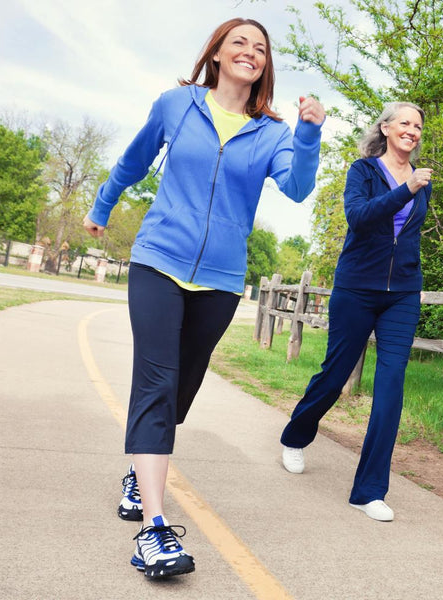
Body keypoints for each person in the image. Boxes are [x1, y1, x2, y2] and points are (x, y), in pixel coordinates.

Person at [83, 18, 325, 579]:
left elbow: (296, 187)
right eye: (238, 41)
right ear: (215, 53)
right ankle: (155, 532)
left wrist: (308, 134)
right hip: (158, 259)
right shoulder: (176, 104)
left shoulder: (271, 132)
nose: (250, 51)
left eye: (260, 48)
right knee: (157, 380)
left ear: (265, 66)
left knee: (183, 384)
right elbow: (135, 159)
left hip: (219, 278)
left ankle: (138, 477)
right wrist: (102, 206)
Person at [279, 102, 431, 522]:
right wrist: (408, 189)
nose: (413, 131)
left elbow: (409, 237)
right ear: (385, 128)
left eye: (418, 126)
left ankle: (368, 490)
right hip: (357, 289)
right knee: (334, 374)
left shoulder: (423, 181)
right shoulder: (362, 172)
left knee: (391, 385)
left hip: (402, 294)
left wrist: (413, 277)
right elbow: (358, 218)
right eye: (405, 123)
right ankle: (295, 435)